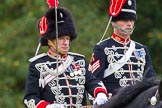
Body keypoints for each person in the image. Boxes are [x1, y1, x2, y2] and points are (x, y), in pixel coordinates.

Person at [23, 7, 109, 108]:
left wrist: (100, 93)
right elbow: (29, 98)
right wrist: (47, 107)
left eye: (67, 38)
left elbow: (92, 82)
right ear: (50, 41)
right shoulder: (38, 65)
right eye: (61, 38)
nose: (66, 42)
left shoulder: (78, 61)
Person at [88, 0, 156, 95]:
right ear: (114, 21)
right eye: (125, 19)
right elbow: (93, 81)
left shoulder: (141, 49)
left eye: (131, 20)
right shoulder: (102, 48)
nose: (129, 23)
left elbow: (151, 80)